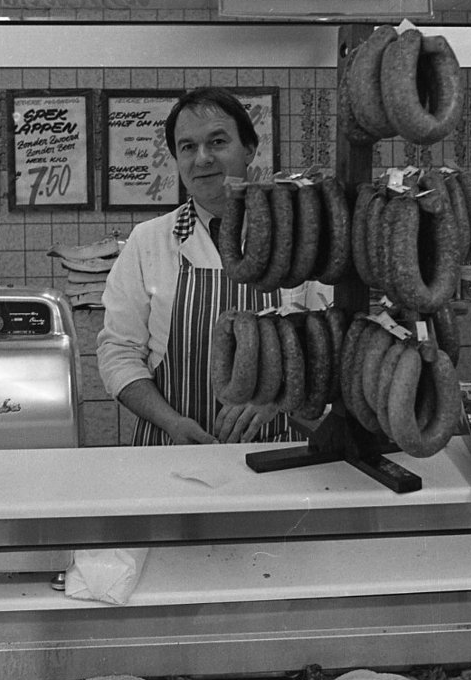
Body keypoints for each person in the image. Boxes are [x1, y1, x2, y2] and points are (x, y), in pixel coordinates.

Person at [97, 86, 326, 446]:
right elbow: (118, 353)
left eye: (217, 142)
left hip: (278, 452)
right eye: (188, 147)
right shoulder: (148, 241)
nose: (202, 158)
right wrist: (171, 422)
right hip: (171, 452)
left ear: (249, 149)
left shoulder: (299, 239)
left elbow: (325, 344)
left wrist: (280, 396)